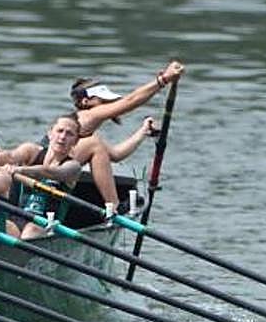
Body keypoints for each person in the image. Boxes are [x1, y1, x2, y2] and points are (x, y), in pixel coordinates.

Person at [68, 60, 185, 210]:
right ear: (85, 101)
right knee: (95, 144)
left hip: (60, 169)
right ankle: (114, 206)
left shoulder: (87, 133)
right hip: (50, 171)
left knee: (96, 145)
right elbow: (131, 101)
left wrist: (143, 131)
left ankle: (111, 206)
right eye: (103, 100)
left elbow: (116, 155)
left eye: (109, 101)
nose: (109, 105)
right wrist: (163, 80)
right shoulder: (86, 116)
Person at [6, 113, 85, 239]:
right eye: (60, 131)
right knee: (3, 226)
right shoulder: (31, 151)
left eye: (69, 134)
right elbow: (10, 156)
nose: (63, 137)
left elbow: (52, 172)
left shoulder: (73, 167)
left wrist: (21, 170)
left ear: (75, 141)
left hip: (47, 225)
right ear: (50, 134)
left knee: (31, 230)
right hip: (16, 220)